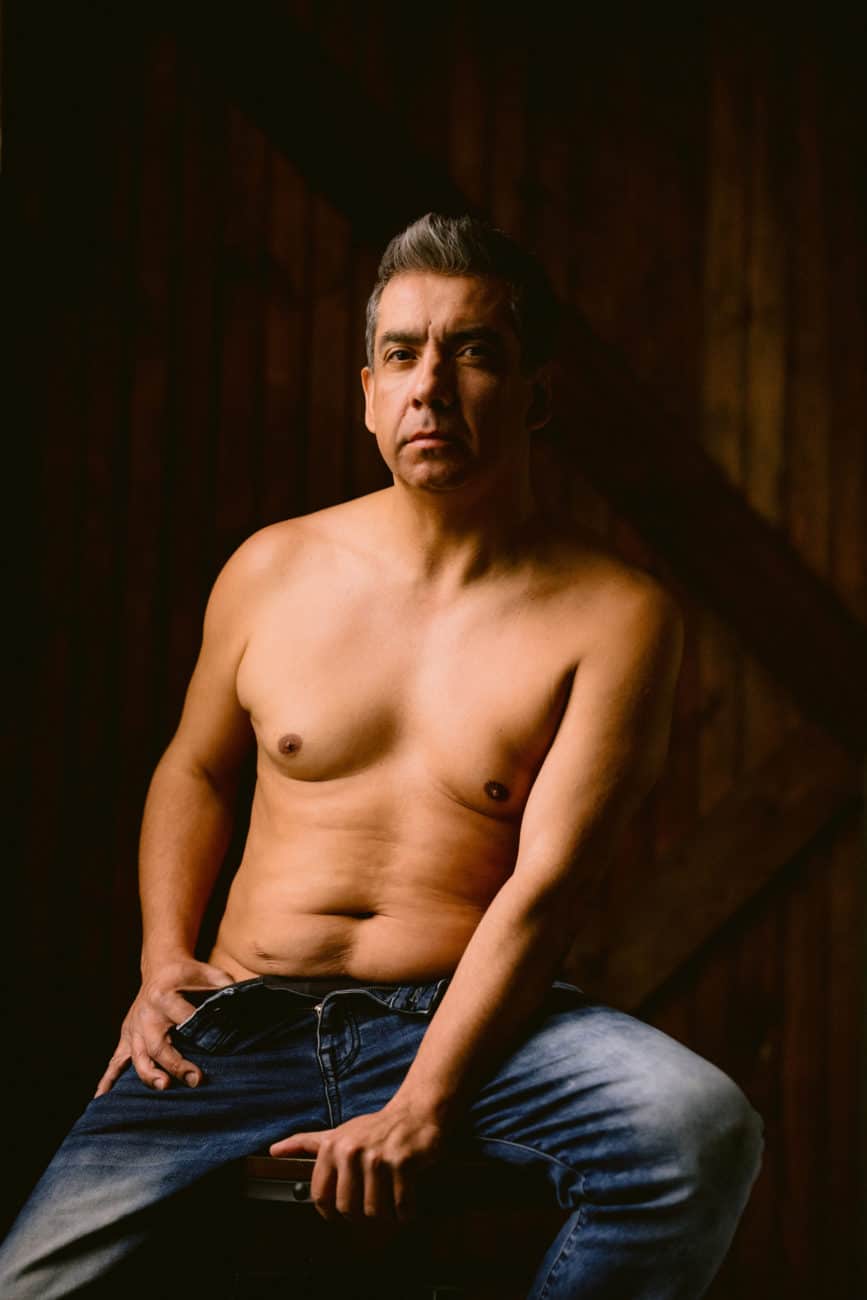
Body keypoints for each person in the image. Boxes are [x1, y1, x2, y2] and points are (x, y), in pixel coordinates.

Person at [0, 213, 762, 1297]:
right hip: (239, 1022)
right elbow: (196, 768)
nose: (432, 386)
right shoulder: (272, 568)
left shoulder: (617, 615)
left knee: (699, 1127)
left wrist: (426, 1100)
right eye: (402, 353)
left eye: (475, 352)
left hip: (470, 1025)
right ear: (366, 391)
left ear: (535, 395)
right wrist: (163, 958)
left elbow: (548, 886)